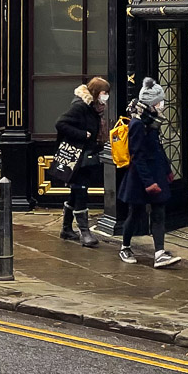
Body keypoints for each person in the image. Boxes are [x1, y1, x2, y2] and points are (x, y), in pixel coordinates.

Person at [116, 78, 180, 268]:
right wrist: (148, 182)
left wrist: (167, 170)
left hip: (156, 172)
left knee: (159, 212)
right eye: (161, 101)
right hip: (141, 177)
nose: (163, 104)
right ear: (153, 102)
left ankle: (159, 253)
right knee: (135, 213)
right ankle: (125, 246)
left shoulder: (152, 120)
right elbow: (137, 156)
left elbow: (158, 148)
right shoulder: (137, 124)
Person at [54, 76, 110, 248]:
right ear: (95, 93)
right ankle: (84, 232)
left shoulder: (94, 107)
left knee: (76, 191)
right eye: (104, 93)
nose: (106, 96)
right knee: (81, 191)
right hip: (78, 157)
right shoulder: (80, 107)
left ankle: (66, 228)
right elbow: (60, 123)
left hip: (88, 155)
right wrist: (83, 134)